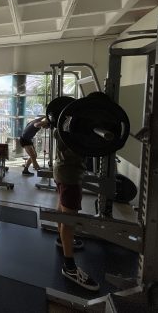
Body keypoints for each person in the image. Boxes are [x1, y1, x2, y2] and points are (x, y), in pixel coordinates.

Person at [42, 114, 99, 291]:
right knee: (69, 218)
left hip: (61, 170)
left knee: (63, 207)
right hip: (70, 176)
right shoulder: (76, 131)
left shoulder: (63, 127)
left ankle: (61, 239)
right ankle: (69, 267)